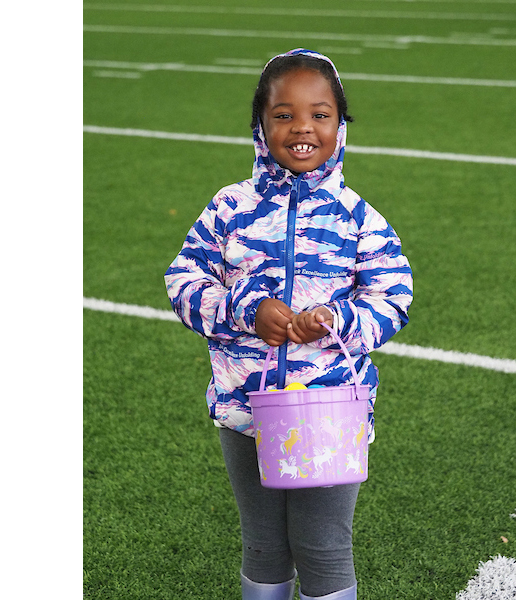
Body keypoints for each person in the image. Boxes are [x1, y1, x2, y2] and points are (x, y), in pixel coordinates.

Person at [165, 48, 413, 600]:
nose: (302, 127)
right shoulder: (230, 208)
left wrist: (335, 321)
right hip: (245, 409)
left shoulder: (357, 217)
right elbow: (183, 281)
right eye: (284, 114)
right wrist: (245, 309)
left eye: (320, 114)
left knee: (324, 548)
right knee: (263, 546)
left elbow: (393, 297)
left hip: (329, 410)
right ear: (260, 125)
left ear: (340, 124)